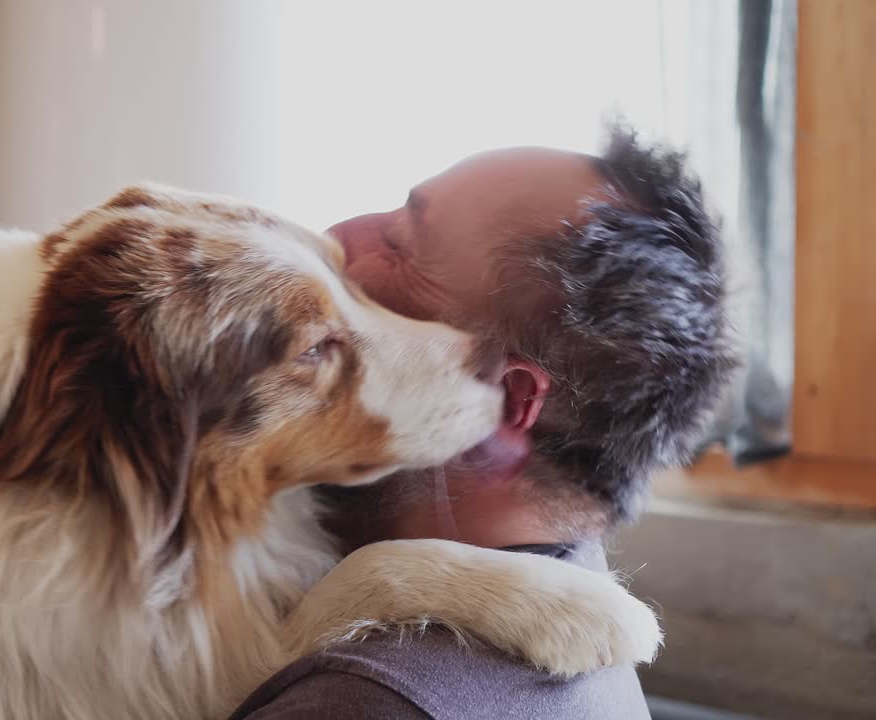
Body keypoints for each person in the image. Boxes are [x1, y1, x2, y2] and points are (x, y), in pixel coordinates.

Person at [230, 125, 738, 719]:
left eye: (397, 247)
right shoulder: (572, 581)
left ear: (502, 398)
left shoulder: (365, 700)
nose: (335, 239)